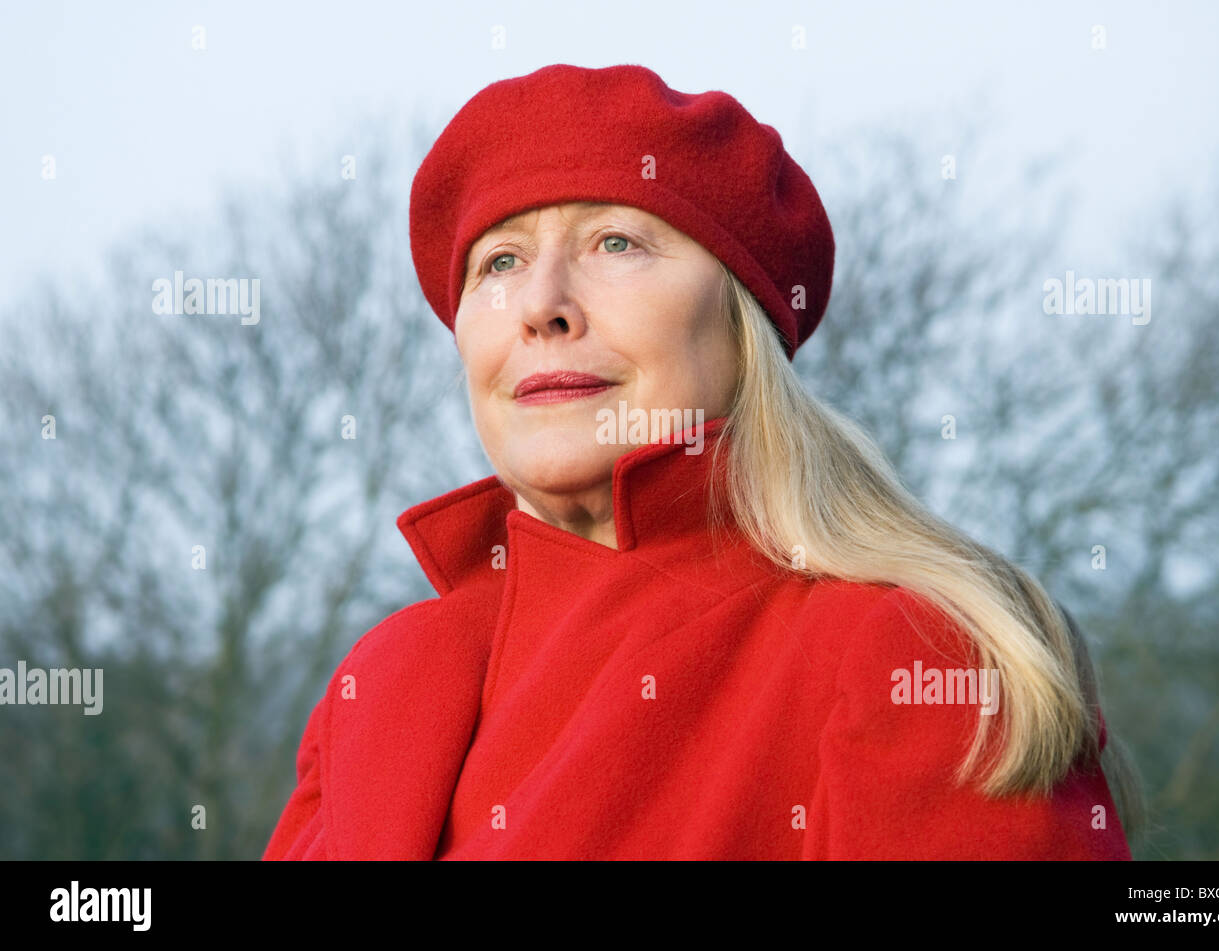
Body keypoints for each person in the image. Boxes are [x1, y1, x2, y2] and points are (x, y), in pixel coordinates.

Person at [262, 62, 1141, 860]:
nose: (541, 304)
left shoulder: (906, 658)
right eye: (500, 261)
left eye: (616, 243)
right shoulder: (378, 683)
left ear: (742, 323)